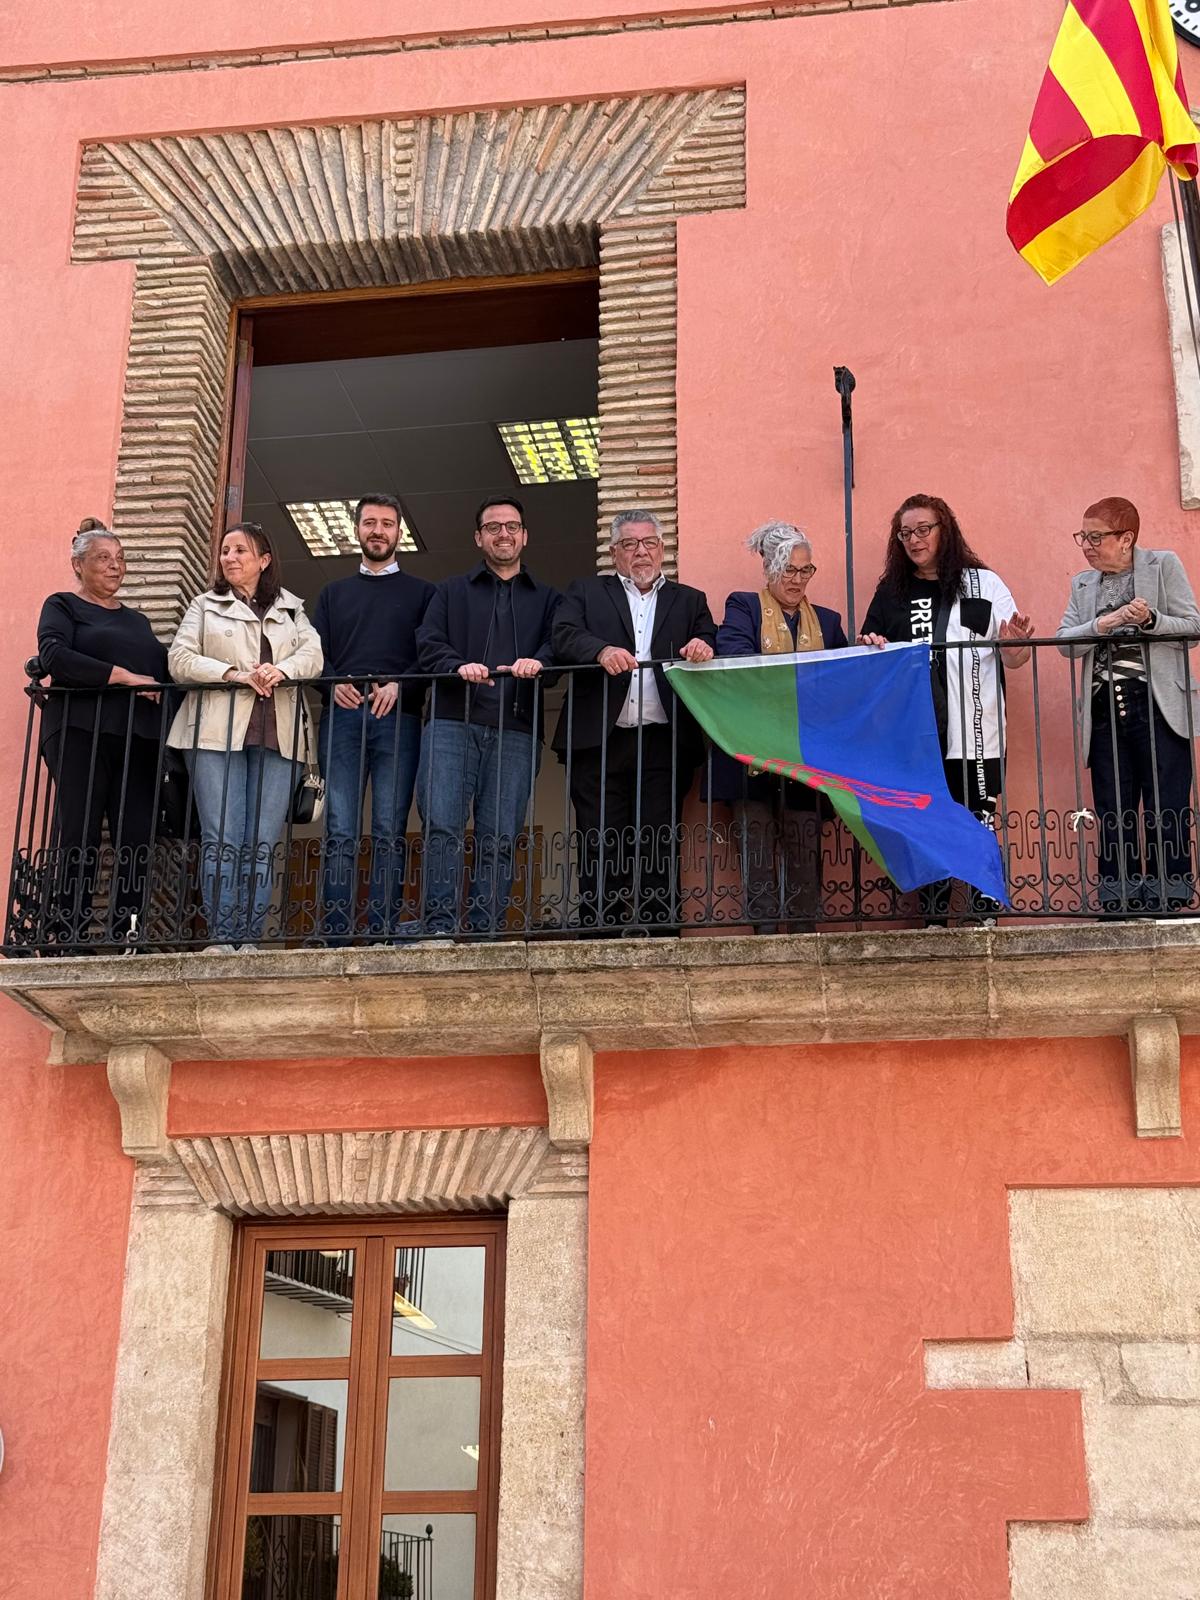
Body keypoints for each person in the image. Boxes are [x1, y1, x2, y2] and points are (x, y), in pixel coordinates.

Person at [859, 494, 1033, 922]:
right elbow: (870, 646)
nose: (914, 540)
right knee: (927, 822)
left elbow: (1013, 655)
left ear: (945, 530)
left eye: (923, 529)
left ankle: (984, 907)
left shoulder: (984, 584)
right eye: (905, 533)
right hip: (917, 731)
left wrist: (1014, 648)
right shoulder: (892, 591)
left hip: (975, 726)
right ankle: (934, 915)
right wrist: (872, 645)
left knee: (978, 819)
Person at [551, 508, 716, 932]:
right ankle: (600, 934)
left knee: (659, 839)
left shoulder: (690, 599)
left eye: (648, 543)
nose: (640, 552)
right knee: (600, 840)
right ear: (614, 552)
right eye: (629, 544)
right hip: (599, 741)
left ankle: (661, 931)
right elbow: (564, 635)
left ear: (662, 549)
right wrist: (600, 651)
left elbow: (709, 637)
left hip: (663, 741)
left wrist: (701, 645)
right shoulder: (586, 592)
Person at [168, 522, 322, 950]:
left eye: (240, 550)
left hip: (280, 739)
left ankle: (248, 938)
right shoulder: (204, 606)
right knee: (223, 836)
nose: (230, 558)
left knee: (262, 840)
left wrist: (283, 669)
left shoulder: (292, 609)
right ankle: (222, 937)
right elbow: (179, 660)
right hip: (214, 735)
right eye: (225, 551)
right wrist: (232, 674)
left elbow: (314, 656)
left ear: (264, 560)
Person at [415, 496, 559, 936]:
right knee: (442, 829)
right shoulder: (449, 591)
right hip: (451, 725)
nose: (503, 534)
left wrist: (540, 662)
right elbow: (427, 643)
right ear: (479, 537)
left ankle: (485, 932)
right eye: (493, 527)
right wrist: (457, 666)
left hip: (515, 729)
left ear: (525, 536)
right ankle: (439, 928)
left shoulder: (549, 599)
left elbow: (560, 646)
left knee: (499, 838)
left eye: (512, 527)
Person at [1057, 496, 1200, 915]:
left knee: (1166, 801)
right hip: (1104, 707)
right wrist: (1102, 624)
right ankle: (1118, 899)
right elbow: (1066, 643)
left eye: (1095, 537)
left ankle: (1169, 896)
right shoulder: (1083, 584)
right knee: (1113, 807)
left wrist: (1152, 620)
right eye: (1082, 536)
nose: (1086, 544)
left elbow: (1192, 628)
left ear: (1126, 539)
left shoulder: (1163, 564)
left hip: (1156, 702)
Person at [35, 519, 168, 949]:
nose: (115, 567)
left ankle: (126, 932)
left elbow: (163, 673)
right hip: (79, 731)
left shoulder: (138, 621)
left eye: (120, 559)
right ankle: (67, 929)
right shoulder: (63, 606)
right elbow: (54, 656)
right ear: (78, 565)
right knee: (80, 828)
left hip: (139, 739)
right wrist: (124, 677)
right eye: (103, 559)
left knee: (135, 836)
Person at [712, 521, 848, 932]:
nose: (797, 580)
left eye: (805, 571)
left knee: (805, 847)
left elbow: (841, 678)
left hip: (806, 756)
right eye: (789, 570)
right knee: (756, 850)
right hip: (751, 753)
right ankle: (766, 941)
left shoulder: (827, 619)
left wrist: (870, 647)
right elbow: (735, 655)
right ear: (769, 569)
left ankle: (806, 937)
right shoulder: (744, 607)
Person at [311, 495, 435, 943]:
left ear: (399, 532)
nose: (378, 530)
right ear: (357, 530)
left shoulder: (425, 593)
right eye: (369, 523)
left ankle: (382, 928)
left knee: (389, 827)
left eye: (386, 523)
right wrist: (331, 683)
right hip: (342, 717)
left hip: (398, 718)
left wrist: (401, 685)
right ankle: (337, 931)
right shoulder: (332, 593)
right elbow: (310, 658)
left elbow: (433, 659)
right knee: (341, 826)